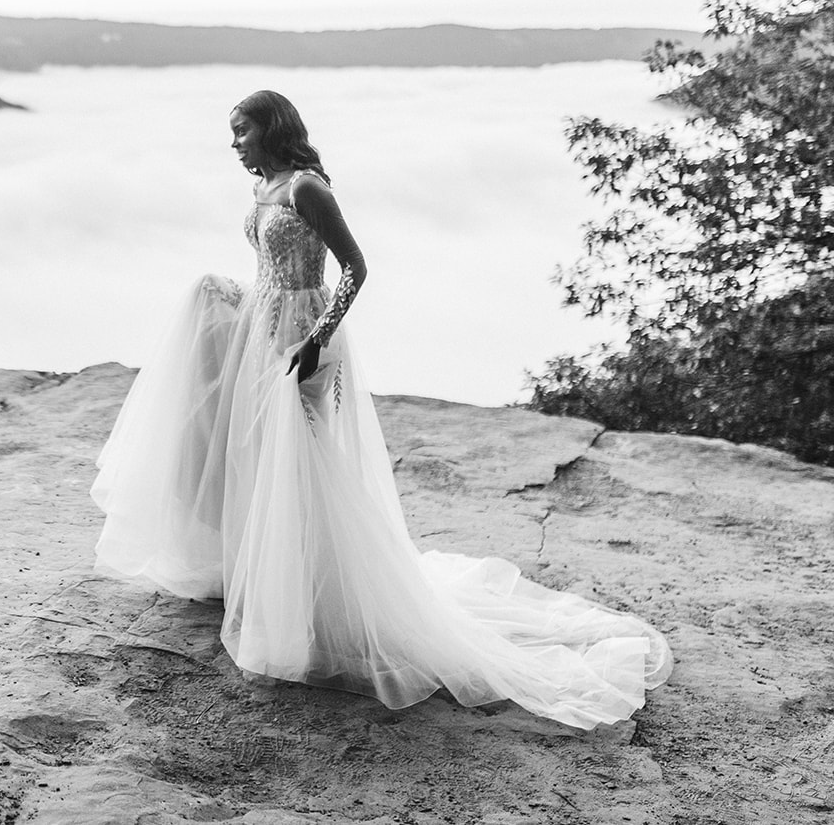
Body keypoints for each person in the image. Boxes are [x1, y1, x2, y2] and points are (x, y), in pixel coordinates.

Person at [90, 90, 671, 729]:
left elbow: (354, 269)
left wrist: (316, 339)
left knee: (305, 458)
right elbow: (268, 271)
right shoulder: (266, 189)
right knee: (265, 455)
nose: (234, 143)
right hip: (266, 325)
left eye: (242, 131)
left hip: (306, 334)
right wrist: (224, 295)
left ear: (272, 128)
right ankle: (275, 579)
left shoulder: (308, 189)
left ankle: (326, 603)